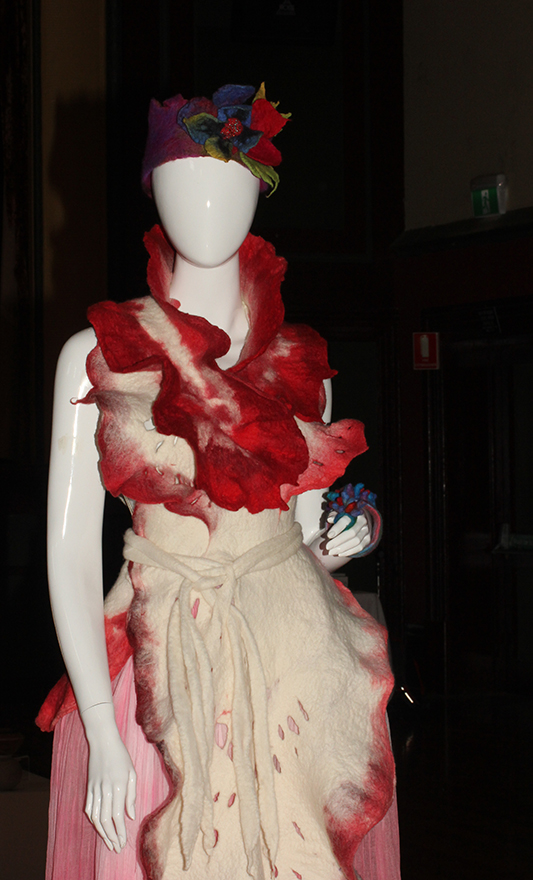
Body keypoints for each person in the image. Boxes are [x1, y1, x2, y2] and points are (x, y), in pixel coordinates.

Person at [38, 84, 399, 880]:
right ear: (154, 193)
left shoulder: (301, 364)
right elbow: (67, 558)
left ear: (257, 195)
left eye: (228, 181)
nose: (207, 201)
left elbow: (299, 542)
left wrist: (340, 543)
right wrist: (100, 725)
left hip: (292, 672)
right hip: (158, 671)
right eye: (183, 179)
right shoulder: (95, 358)